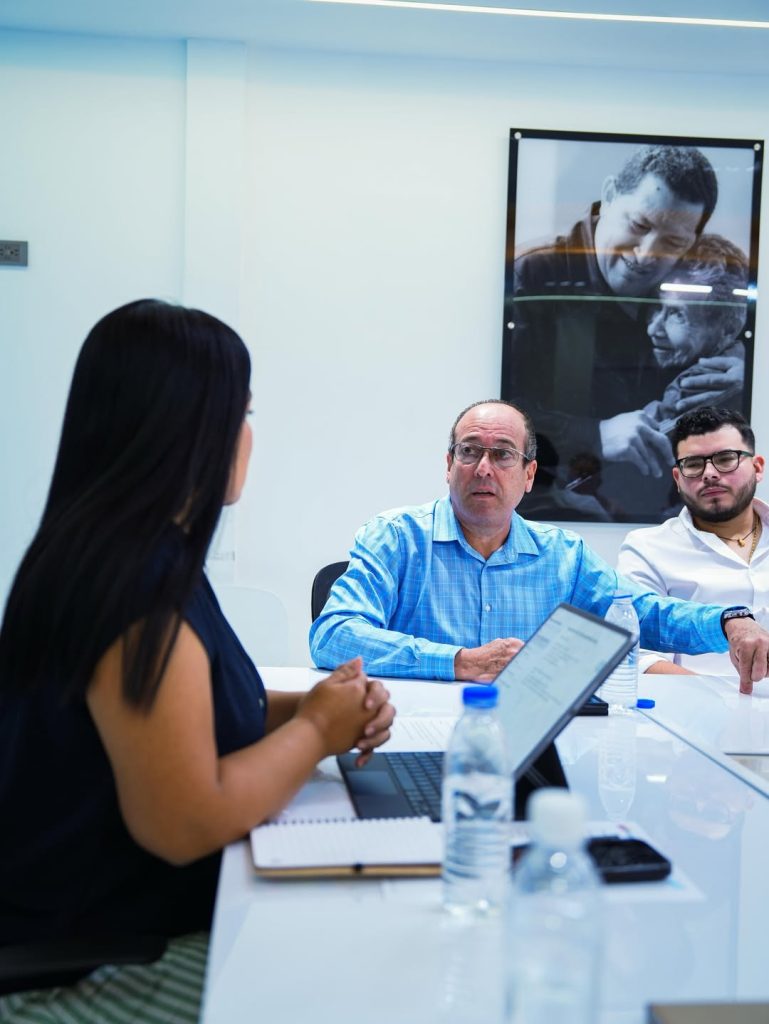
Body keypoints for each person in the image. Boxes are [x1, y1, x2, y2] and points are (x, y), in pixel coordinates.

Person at [0, 300, 394, 1015]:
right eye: (243, 413)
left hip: (111, 929)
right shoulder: (133, 595)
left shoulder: (128, 553)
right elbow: (183, 824)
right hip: (90, 967)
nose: (248, 436)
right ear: (190, 428)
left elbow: (202, 714)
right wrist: (317, 731)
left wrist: (316, 708)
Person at [309, 399, 769, 694]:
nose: (483, 468)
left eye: (502, 454)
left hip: (525, 747)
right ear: (449, 466)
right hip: (412, 732)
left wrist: (728, 621)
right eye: (469, 452)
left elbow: (643, 614)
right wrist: (459, 662)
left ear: (529, 475)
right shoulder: (395, 537)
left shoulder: (562, 556)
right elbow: (334, 634)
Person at [505, 144, 748, 522]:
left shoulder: (687, 274)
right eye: (639, 225)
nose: (647, 255)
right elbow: (496, 415)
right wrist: (597, 435)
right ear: (609, 194)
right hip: (545, 513)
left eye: (673, 243)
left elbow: (729, 315)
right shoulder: (530, 276)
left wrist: (739, 359)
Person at [618, 407, 768, 680]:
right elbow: (636, 653)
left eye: (726, 459)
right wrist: (720, 697)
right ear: (678, 478)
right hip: (693, 703)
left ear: (757, 468)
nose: (709, 473)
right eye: (694, 464)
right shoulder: (647, 548)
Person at [642, 234, 748, 431]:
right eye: (656, 306)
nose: (652, 329)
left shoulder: (695, 386)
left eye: (677, 314)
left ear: (728, 328)